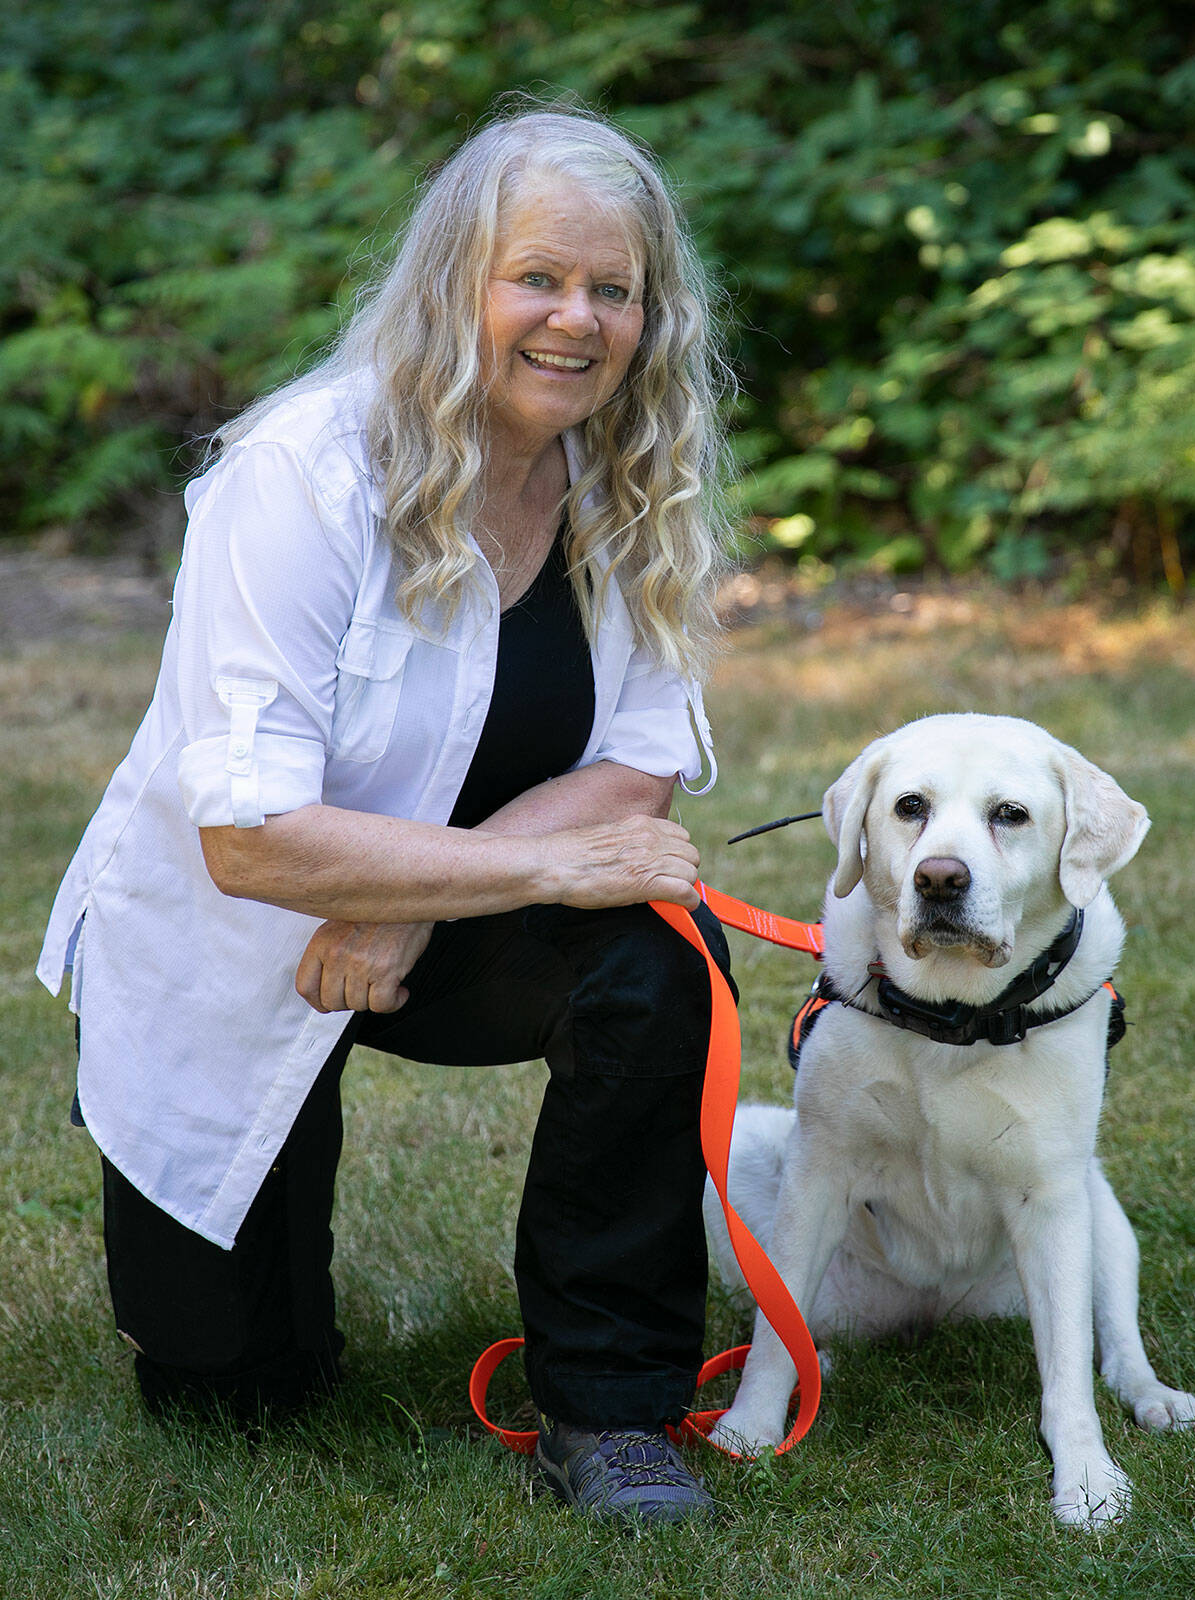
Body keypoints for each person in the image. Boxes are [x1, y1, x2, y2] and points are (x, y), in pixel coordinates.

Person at [37, 102, 737, 1525]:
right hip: (250, 938)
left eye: (614, 289)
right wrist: (457, 875)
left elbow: (639, 761)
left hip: (446, 927)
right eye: (537, 277)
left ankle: (613, 1407)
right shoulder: (302, 475)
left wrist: (426, 891)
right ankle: (234, 1316)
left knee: (664, 951)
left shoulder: (634, 477)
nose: (577, 319)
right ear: (453, 283)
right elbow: (245, 837)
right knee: (234, 1396)